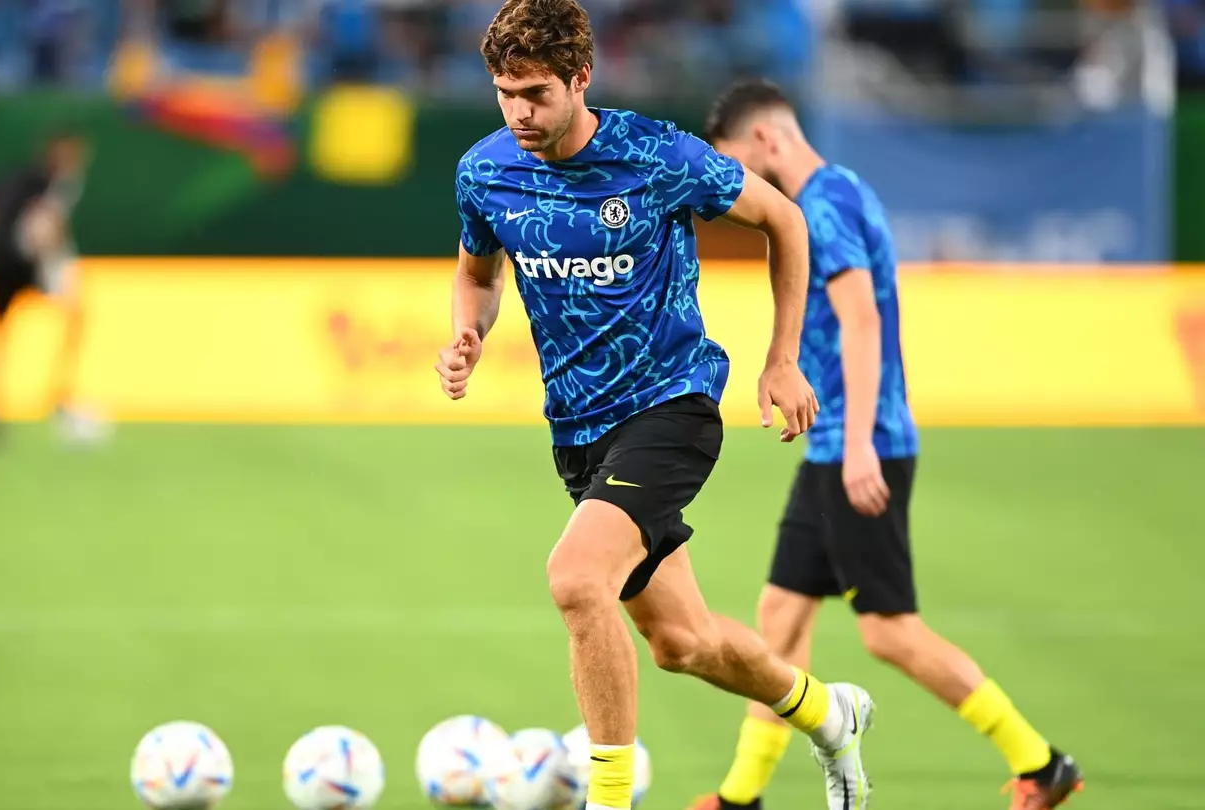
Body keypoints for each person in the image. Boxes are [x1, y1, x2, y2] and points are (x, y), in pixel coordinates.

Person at [435, 2, 876, 808]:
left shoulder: (658, 155)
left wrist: (782, 359)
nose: (519, 112)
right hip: (578, 432)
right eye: (504, 92)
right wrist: (468, 332)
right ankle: (828, 711)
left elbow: (783, 218)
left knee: (575, 579)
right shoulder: (485, 169)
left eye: (535, 92)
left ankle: (608, 798)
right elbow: (476, 272)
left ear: (581, 78)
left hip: (670, 408)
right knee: (684, 642)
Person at [694, 79, 1084, 810]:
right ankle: (739, 798)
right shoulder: (844, 190)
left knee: (889, 633)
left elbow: (862, 321)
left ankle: (1041, 762)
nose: (736, 182)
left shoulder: (823, 207)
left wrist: (863, 443)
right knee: (779, 616)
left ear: (767, 141)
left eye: (737, 163)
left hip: (857, 445)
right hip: (832, 447)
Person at [0, 130, 102, 449]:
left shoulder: (13, 175)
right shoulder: (53, 184)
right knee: (76, 313)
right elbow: (43, 227)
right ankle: (58, 394)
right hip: (25, 264)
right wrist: (56, 261)